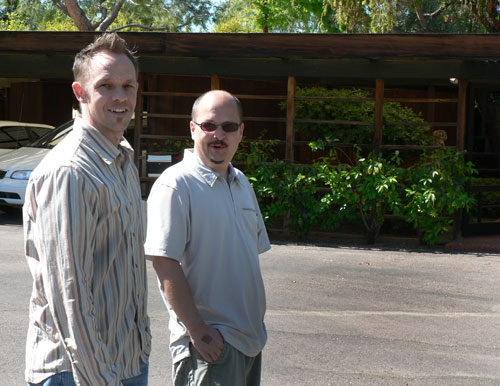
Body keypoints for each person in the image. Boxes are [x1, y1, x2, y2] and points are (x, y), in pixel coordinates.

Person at [23, 33, 151, 386]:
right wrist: (101, 378)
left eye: (128, 85)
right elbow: (69, 294)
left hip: (126, 361)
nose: (120, 96)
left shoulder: (121, 159)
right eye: (106, 85)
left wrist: (140, 350)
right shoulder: (69, 172)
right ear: (80, 93)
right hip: (80, 373)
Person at [145, 90, 271, 386]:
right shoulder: (176, 184)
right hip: (211, 349)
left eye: (229, 127)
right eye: (208, 125)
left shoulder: (241, 183)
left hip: (249, 343)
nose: (218, 134)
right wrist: (198, 331)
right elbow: (164, 262)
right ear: (192, 129)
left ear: (241, 132)